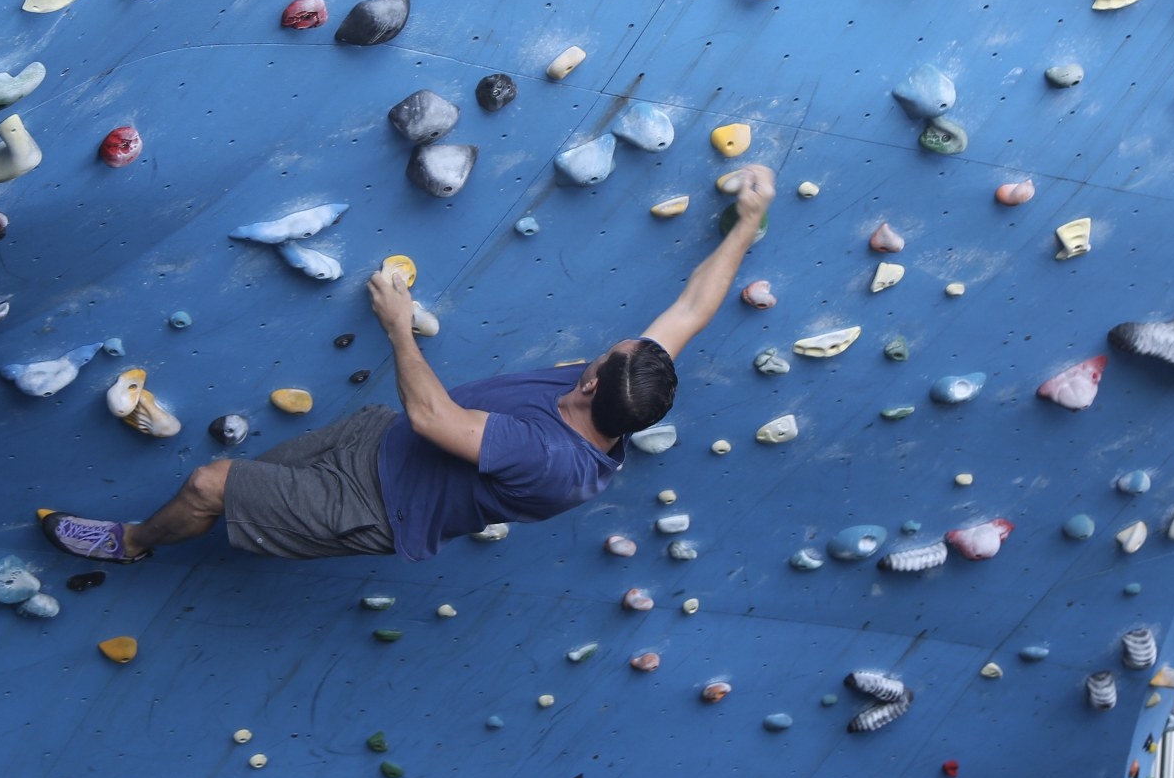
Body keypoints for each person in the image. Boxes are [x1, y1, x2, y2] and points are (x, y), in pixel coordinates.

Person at [39, 164, 776, 565]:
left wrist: (398, 327)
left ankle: (131, 544)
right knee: (250, 488)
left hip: (375, 507)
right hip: (378, 443)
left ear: (588, 383)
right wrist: (745, 222)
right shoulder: (628, 389)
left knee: (210, 483)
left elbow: (435, 417)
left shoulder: (550, 458)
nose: (614, 343)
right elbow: (691, 311)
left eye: (602, 356)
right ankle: (253, 520)